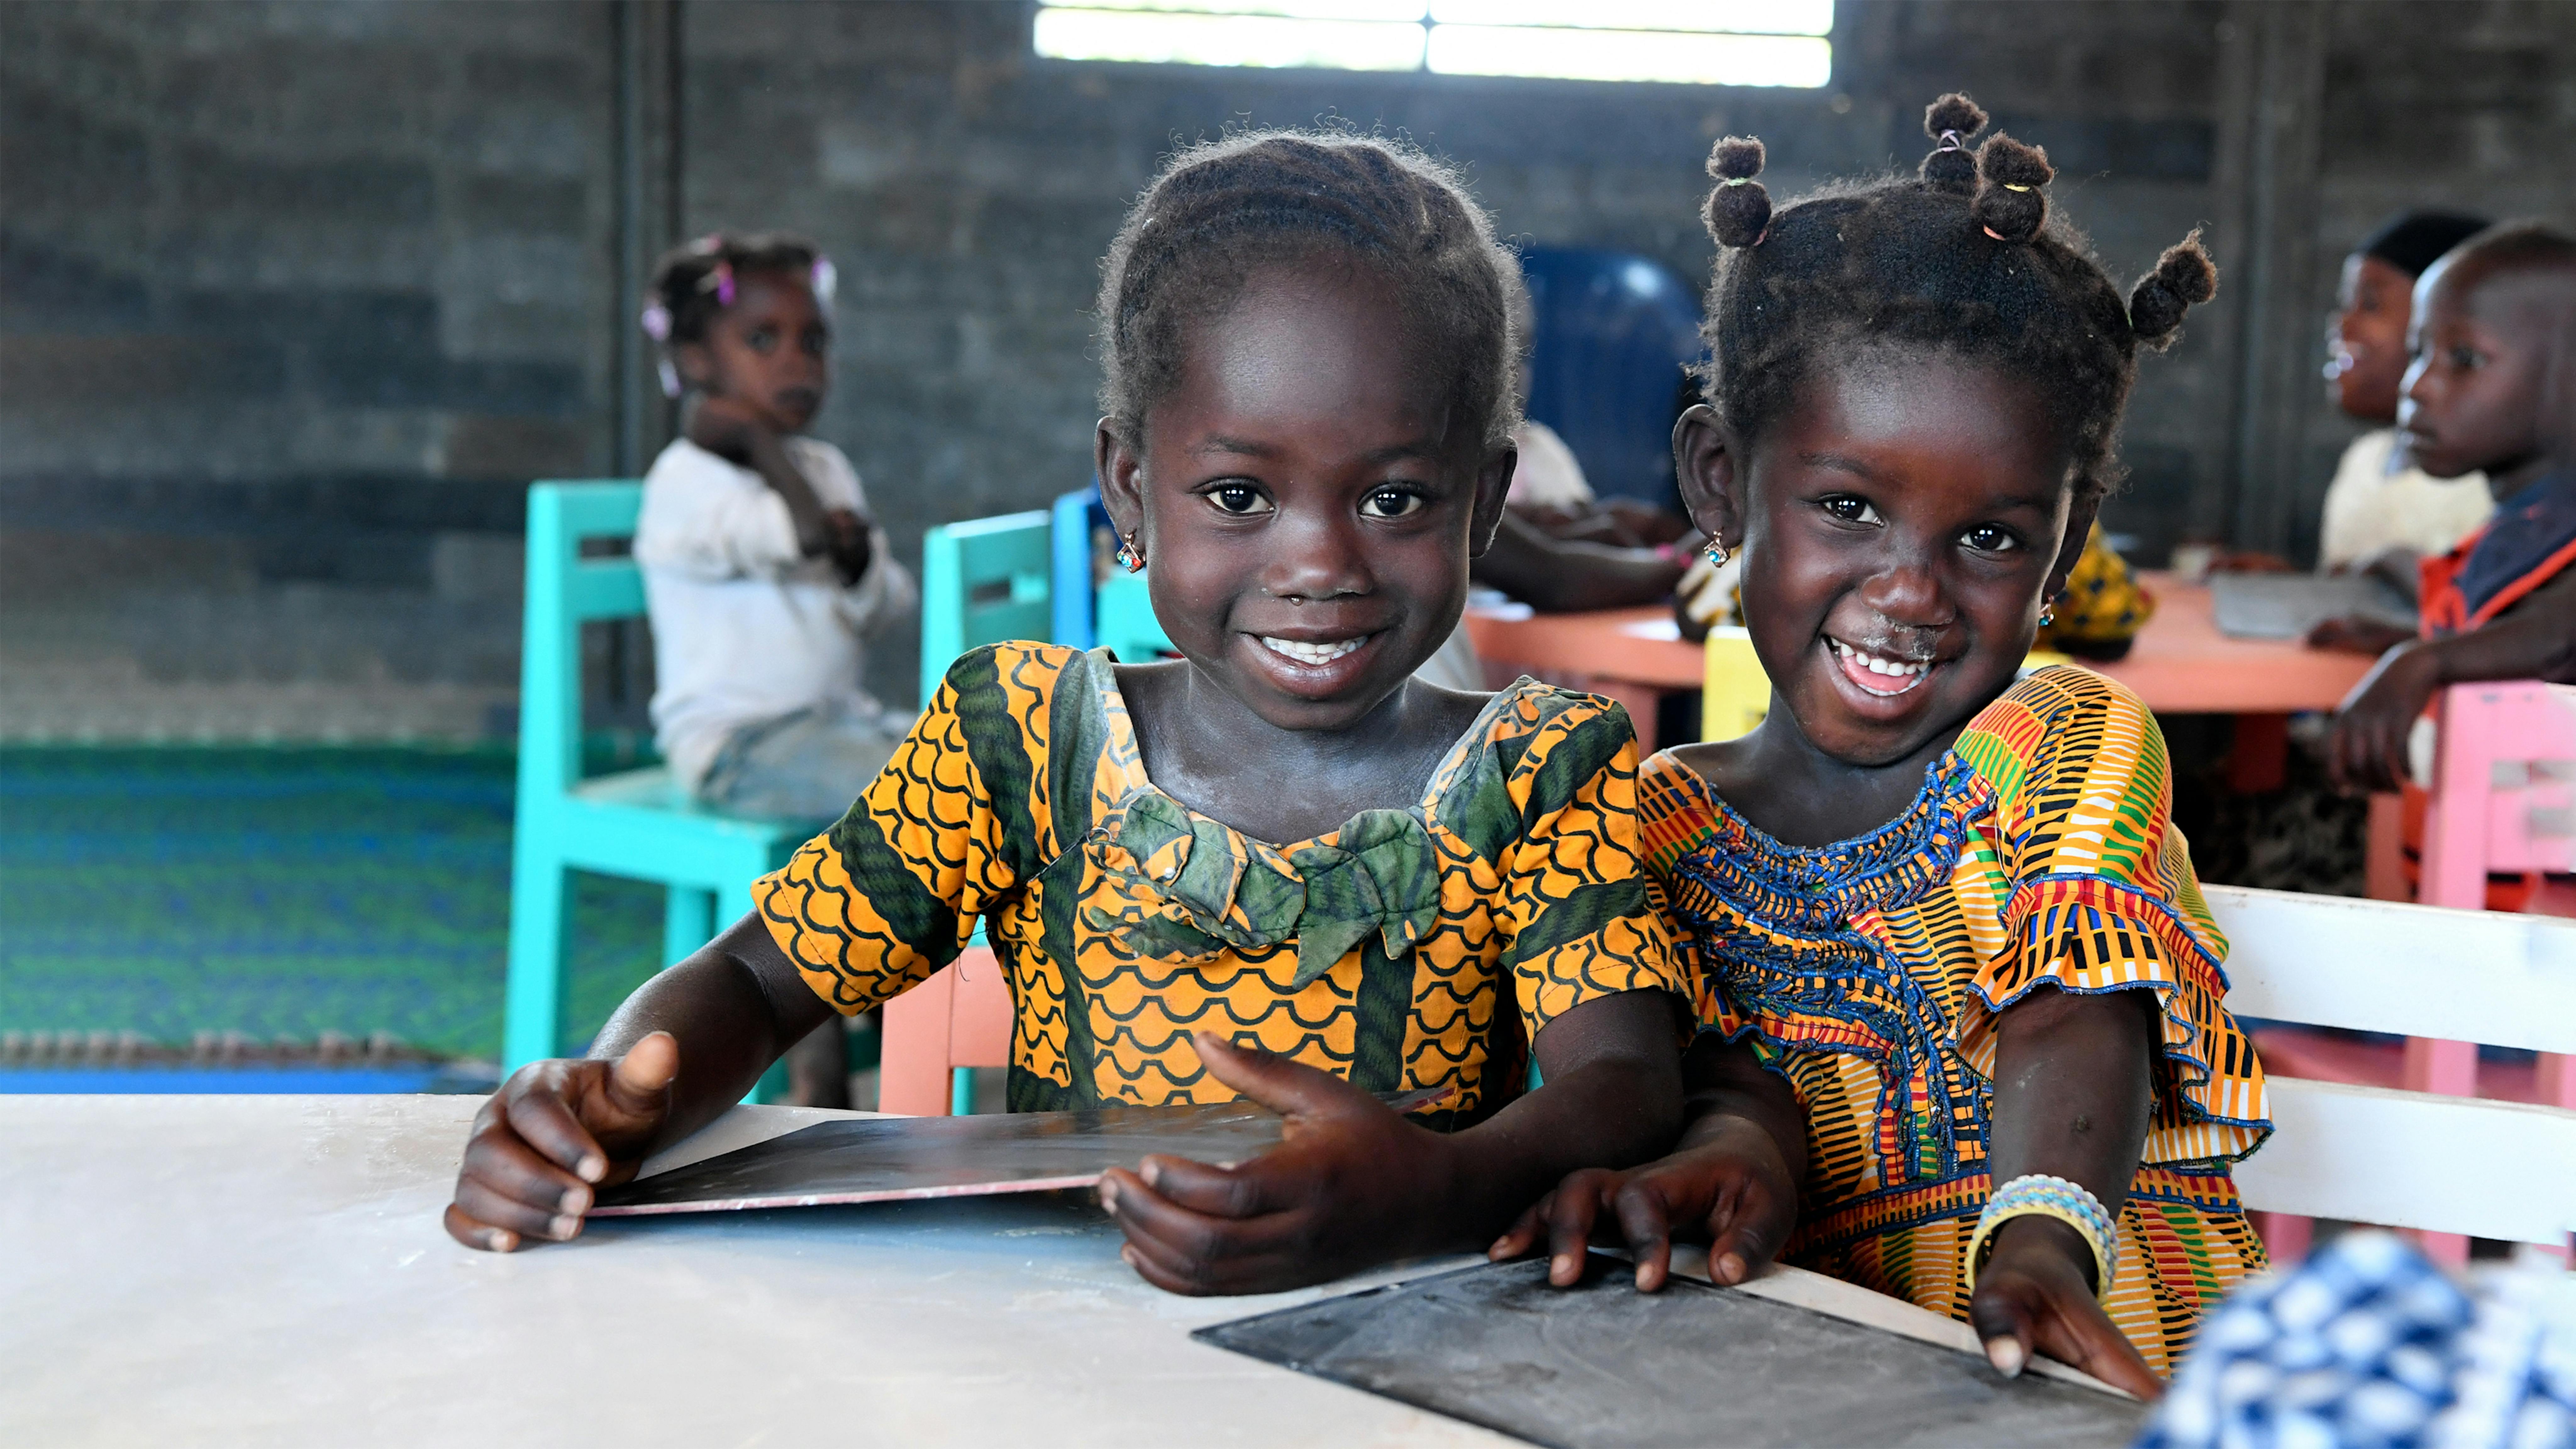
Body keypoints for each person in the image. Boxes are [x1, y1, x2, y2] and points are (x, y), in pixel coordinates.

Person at [445, 132, 1691, 1296]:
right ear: (1129, 495)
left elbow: (1625, 1080)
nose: (1320, 564)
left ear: (1482, 505)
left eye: (1394, 499)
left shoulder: (1536, 776)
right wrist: (615, 1097)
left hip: (1395, 1347)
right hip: (1056, 1353)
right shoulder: (1022, 749)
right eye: (1239, 493)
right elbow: (759, 982)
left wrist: (1430, 1193)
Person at [1492, 97, 2273, 1398]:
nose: (1910, 591)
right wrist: (1732, 1152)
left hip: (2115, 1360)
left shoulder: (2061, 736)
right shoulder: (1662, 822)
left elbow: (2072, 1009)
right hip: (1837, 1392)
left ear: (2062, 554)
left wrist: (2035, 1242)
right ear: (1716, 482)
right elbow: (1745, 1071)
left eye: (1988, 539)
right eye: (1846, 508)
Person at [630, 232, 916, 1109]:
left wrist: (857, 553)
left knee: (965, 760)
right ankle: (843, 1036)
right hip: (738, 746)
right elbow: (787, 538)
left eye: (813, 340)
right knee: (919, 797)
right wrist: (761, 451)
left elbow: (885, 600)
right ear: (693, 361)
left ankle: (833, 1037)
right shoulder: (686, 480)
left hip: (833, 723)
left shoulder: (826, 467)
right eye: (764, 341)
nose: (797, 361)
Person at [2326, 223, 2576, 796]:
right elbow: (2516, 639)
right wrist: (2408, 639)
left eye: (2463, 358)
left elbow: (2558, 635)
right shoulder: (2523, 526)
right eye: (2419, 352)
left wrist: (2423, 661)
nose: (2418, 386)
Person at [2302, 210, 2495, 656]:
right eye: (2344, 303)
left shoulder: (2493, 486)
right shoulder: (2365, 460)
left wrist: (2392, 568)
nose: (2343, 326)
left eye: (2370, 305)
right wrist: (2292, 588)